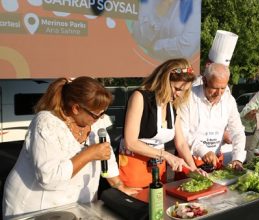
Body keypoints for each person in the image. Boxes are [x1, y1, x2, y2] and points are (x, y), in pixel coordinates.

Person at [2, 77, 140, 218]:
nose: (100, 117)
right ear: (76, 108)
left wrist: (118, 185)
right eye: (96, 114)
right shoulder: (45, 123)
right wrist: (88, 154)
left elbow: (106, 154)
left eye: (103, 112)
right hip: (36, 207)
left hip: (76, 206)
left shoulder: (96, 122)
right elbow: (48, 178)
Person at [118, 58, 205, 188]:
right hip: (134, 167)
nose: (179, 94)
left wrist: (193, 169)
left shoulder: (173, 104)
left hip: (158, 169)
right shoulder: (140, 97)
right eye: (177, 88)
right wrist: (166, 155)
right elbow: (131, 142)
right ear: (164, 80)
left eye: (184, 90)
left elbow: (181, 142)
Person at [180, 63, 247, 173]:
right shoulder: (188, 98)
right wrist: (203, 151)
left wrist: (238, 158)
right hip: (189, 161)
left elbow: (238, 131)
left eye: (223, 88)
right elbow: (182, 135)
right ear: (204, 81)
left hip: (216, 160)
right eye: (215, 88)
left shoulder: (228, 100)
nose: (219, 93)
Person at [131, 0, 201, 61]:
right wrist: (162, 8)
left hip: (178, 70)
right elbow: (139, 37)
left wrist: (154, 46)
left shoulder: (194, 3)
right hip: (147, 67)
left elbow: (186, 48)